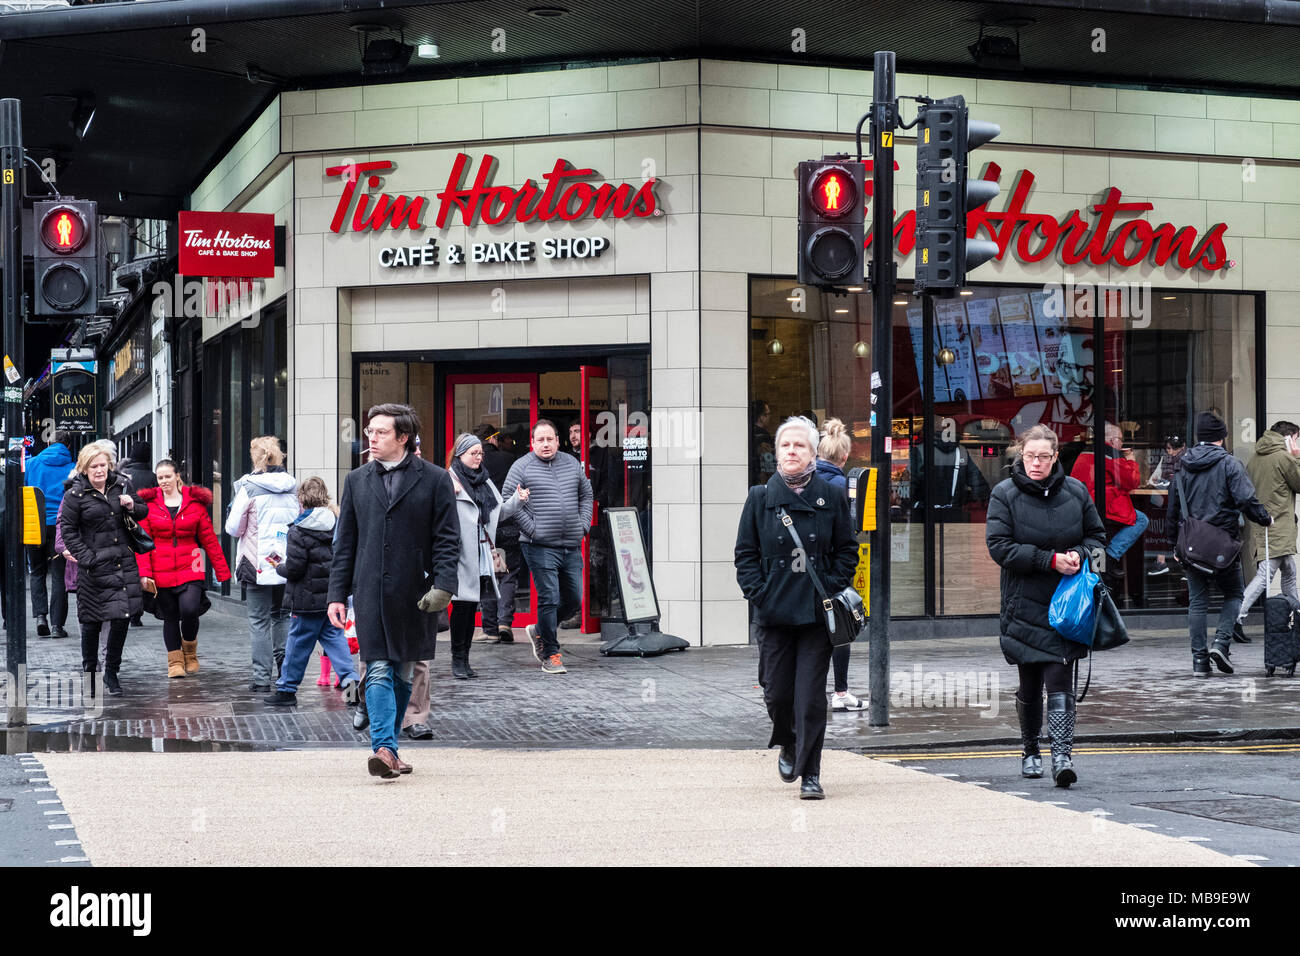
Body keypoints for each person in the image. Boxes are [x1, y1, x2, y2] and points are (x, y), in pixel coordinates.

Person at [328, 403, 460, 779]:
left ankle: (392, 748)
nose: (371, 437)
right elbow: (345, 544)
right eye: (370, 430)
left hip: (416, 593)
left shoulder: (435, 479)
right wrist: (336, 595)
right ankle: (384, 748)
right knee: (380, 669)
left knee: (403, 672)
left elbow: (448, 539)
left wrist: (444, 586)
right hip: (369, 591)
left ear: (403, 437)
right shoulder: (356, 480)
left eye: (381, 431)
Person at [735, 416, 859, 800]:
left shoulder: (831, 495)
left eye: (799, 446)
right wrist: (761, 594)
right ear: (777, 453)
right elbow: (745, 555)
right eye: (785, 446)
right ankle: (788, 742)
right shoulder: (760, 497)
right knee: (777, 694)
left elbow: (847, 551)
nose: (791, 451)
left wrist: (831, 587)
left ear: (812, 453)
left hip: (815, 615)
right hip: (774, 614)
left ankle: (811, 772)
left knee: (809, 698)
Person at [986, 425, 1106, 788]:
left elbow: (1098, 540)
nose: (1035, 463)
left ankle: (1061, 756)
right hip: (1023, 603)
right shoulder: (1004, 495)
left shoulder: (1076, 492)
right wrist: (1048, 560)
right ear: (1020, 456)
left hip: (1068, 605)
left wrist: (1079, 554)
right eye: (1029, 456)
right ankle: (1030, 751)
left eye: (1043, 456)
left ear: (1056, 457)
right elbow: (999, 547)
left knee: (1059, 678)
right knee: (1030, 682)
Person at [1165, 412, 1272, 677]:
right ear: (1222, 438)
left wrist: (1174, 544)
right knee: (1234, 594)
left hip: (1191, 546)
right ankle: (1221, 643)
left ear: (1198, 438)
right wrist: (1265, 518)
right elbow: (1247, 499)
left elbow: (1172, 510)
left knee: (1197, 603)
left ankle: (1199, 662)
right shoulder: (1230, 464)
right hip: (1223, 544)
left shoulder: (1181, 465)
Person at [500, 419, 593, 675]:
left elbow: (586, 495)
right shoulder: (521, 467)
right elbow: (507, 502)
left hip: (571, 544)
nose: (545, 444)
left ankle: (541, 629)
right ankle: (550, 653)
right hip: (538, 546)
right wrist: (532, 529)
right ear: (532, 443)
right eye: (540, 440)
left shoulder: (571, 464)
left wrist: (583, 525)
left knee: (574, 599)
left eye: (549, 439)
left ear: (557, 441)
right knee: (549, 597)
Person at [58, 440, 149, 697]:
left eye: (103, 465)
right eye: (93, 466)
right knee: (91, 622)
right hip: (94, 569)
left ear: (109, 465)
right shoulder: (74, 496)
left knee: (122, 618)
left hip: (122, 564)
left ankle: (111, 671)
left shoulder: (122, 484)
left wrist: (131, 505)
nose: (99, 470)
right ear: (84, 468)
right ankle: (90, 672)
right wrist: (88, 558)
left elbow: (143, 510)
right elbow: (68, 531)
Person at [265, 477, 359, 705]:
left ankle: (287, 690)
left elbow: (295, 569)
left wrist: (279, 567)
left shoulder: (298, 530)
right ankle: (352, 688)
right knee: (337, 644)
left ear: (301, 499)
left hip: (305, 601)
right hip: (331, 598)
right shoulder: (336, 522)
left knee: (297, 647)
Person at [135, 460, 231, 678]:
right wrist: (145, 573)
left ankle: (190, 649)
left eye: (168, 476)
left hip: (191, 565)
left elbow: (209, 540)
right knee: (170, 616)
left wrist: (222, 571)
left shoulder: (195, 504)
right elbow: (142, 543)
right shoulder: (149, 506)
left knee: (189, 609)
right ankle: (175, 662)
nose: (164, 481)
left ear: (178, 476)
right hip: (161, 567)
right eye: (160, 478)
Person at [446, 432, 523, 678]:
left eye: (480, 453)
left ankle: (465, 660)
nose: (479, 457)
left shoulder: (484, 480)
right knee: (460, 608)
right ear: (460, 454)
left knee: (471, 609)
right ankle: (457, 661)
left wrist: (518, 501)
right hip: (458, 555)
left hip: (480, 553)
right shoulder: (447, 479)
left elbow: (497, 513)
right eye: (473, 453)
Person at [225, 435, 298, 691]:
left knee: (259, 621)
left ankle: (260, 678)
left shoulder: (249, 488)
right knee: (282, 617)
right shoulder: (293, 487)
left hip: (256, 563)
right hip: (284, 563)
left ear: (255, 458)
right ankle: (285, 672)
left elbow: (233, 528)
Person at [814, 418, 867, 712]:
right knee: (840, 630)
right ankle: (841, 692)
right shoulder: (842, 485)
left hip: (810, 570)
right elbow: (849, 531)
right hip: (834, 570)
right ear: (845, 456)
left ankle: (810, 691)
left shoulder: (808, 481)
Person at [1236, 421, 1300, 641]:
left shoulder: (1255, 458)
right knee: (1265, 576)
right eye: (1296, 438)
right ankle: (1235, 617)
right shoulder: (1283, 457)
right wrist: (1297, 455)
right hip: (1277, 525)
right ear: (1288, 438)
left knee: (1289, 571)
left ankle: (1297, 615)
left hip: (1263, 524)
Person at [1071, 424, 1146, 597]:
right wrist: (1131, 459)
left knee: (1098, 539)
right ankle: (1111, 558)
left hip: (1085, 508)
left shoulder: (1085, 452)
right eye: (1120, 440)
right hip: (1105, 508)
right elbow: (1131, 481)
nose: (1121, 444)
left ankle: (1102, 569)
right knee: (1141, 519)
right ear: (1112, 440)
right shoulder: (1110, 454)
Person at [474, 424, 523, 643]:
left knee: (488, 574)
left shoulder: (475, 462)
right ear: (493, 439)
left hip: (486, 524)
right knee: (509, 574)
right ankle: (505, 622)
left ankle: (490, 629)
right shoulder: (508, 459)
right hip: (510, 522)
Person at [24, 431, 75, 639]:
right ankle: (57, 626)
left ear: (48, 442)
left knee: (36, 571)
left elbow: (25, 489)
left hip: (35, 522)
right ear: (68, 446)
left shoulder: (33, 463)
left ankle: (40, 617)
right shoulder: (73, 467)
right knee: (59, 575)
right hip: (60, 526)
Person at [1146, 435, 1187, 577]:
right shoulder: (1167, 459)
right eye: (1169, 448)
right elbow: (1154, 478)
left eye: (1174, 448)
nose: (1171, 452)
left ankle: (1182, 565)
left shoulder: (1187, 460)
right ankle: (1162, 561)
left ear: (1183, 447)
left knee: (1178, 529)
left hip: (1178, 501)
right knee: (1166, 528)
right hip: (1166, 499)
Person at [750, 399, 775, 487]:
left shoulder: (750, 431)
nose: (769, 417)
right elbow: (767, 460)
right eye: (768, 414)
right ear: (761, 417)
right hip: (761, 477)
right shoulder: (763, 435)